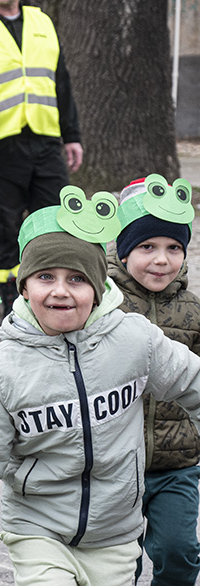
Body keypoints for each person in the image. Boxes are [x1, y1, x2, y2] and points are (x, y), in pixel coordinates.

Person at [0, 198, 200, 586]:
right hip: (37, 531)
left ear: (99, 287)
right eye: (45, 277)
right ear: (24, 287)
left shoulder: (134, 340)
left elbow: (194, 383)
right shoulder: (4, 367)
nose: (61, 291)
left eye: (77, 278)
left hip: (115, 537)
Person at [0, 0, 83, 316]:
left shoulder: (42, 22)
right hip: (2, 147)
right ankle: (11, 306)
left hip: (47, 141)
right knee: (6, 228)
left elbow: (60, 81)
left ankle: (53, 299)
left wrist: (72, 136)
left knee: (55, 223)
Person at [108, 175, 200, 586]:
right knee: (119, 564)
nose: (161, 260)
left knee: (178, 551)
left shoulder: (193, 311)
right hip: (113, 463)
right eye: (147, 247)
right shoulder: (103, 304)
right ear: (124, 251)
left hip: (176, 462)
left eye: (173, 248)